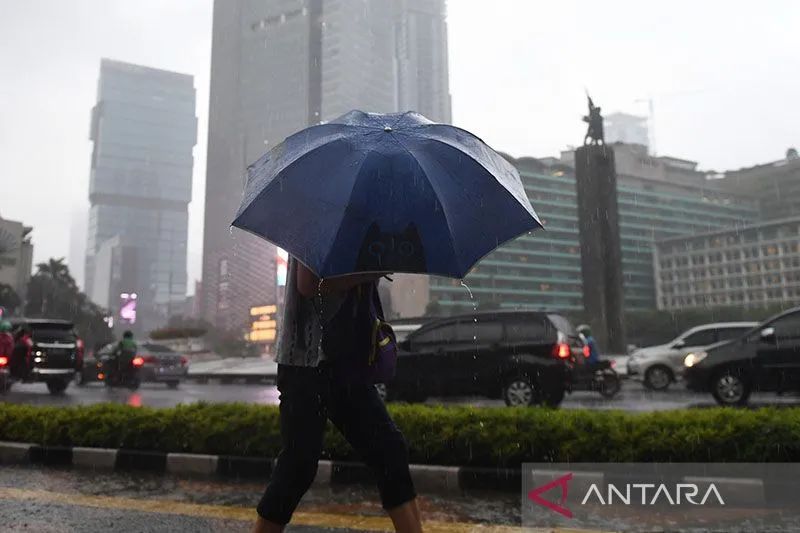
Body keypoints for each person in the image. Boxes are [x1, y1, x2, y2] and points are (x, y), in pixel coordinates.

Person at [254, 257, 422, 533]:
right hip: (305, 363)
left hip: (346, 364)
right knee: (299, 465)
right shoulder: (315, 216)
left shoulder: (366, 230)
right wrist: (369, 272)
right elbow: (308, 285)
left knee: (389, 450)